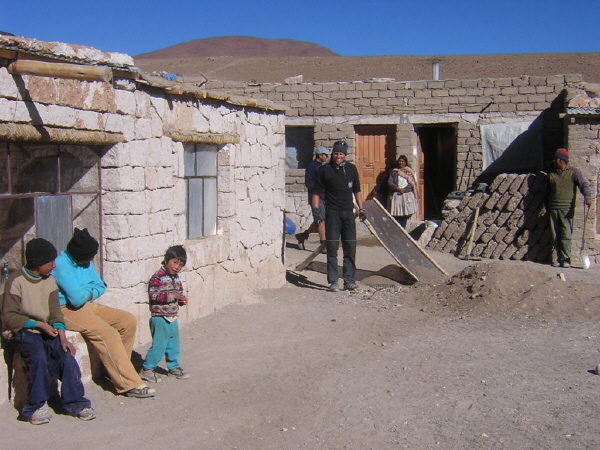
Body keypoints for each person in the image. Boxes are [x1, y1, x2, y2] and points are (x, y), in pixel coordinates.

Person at [2, 238, 96, 424]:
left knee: (65, 355)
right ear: (38, 264)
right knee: (37, 357)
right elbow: (10, 317)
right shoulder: (16, 281)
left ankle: (76, 402)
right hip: (24, 329)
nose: (54, 265)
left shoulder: (50, 281)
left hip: (47, 329)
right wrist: (39, 325)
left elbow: (55, 313)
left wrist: (63, 338)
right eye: (50, 262)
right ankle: (36, 406)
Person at [52, 228, 155, 398]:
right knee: (108, 333)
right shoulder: (61, 266)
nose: (92, 260)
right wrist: (88, 290)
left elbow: (101, 286)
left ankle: (119, 369)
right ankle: (128, 383)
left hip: (87, 304)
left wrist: (85, 291)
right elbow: (76, 299)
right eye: (90, 257)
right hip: (66, 310)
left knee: (127, 321)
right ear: (80, 254)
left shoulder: (84, 262)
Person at [312, 140, 366, 292]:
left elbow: (357, 190)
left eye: (341, 154)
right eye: (336, 153)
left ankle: (349, 280)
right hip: (332, 214)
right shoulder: (324, 170)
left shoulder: (351, 169)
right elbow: (316, 192)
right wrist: (316, 211)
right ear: (332, 154)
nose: (338, 156)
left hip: (348, 213)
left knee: (350, 247)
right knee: (332, 248)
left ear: (345, 155)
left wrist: (362, 209)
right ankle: (333, 281)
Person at [139, 245, 189, 383]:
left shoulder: (176, 278)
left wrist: (181, 300)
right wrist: (173, 295)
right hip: (160, 318)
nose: (177, 267)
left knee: (173, 344)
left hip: (173, 317)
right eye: (174, 262)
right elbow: (154, 296)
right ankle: (147, 369)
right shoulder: (157, 277)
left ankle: (173, 367)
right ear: (166, 260)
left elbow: (178, 293)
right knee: (159, 345)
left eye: (180, 265)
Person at [539, 148, 593, 268]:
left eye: (556, 159)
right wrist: (544, 207)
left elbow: (583, 184)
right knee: (555, 235)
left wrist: (587, 196)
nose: (554, 161)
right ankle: (558, 258)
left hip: (567, 209)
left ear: (562, 160)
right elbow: (546, 194)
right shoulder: (551, 175)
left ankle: (566, 259)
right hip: (553, 209)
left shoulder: (574, 173)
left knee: (566, 234)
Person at [296, 146, 331, 250]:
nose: (327, 157)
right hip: (316, 197)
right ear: (320, 155)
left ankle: (303, 235)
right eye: (326, 155)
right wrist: (318, 189)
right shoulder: (312, 166)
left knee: (321, 222)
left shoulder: (323, 167)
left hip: (325, 197)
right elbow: (309, 183)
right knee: (321, 220)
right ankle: (323, 244)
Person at [387, 155, 419, 228]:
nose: (401, 163)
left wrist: (405, 190)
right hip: (397, 195)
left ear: (405, 162)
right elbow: (390, 182)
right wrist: (397, 188)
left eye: (402, 161)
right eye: (399, 161)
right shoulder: (394, 172)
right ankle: (398, 229)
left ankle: (403, 229)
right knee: (397, 214)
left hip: (406, 196)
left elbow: (412, 183)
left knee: (405, 214)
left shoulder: (410, 172)